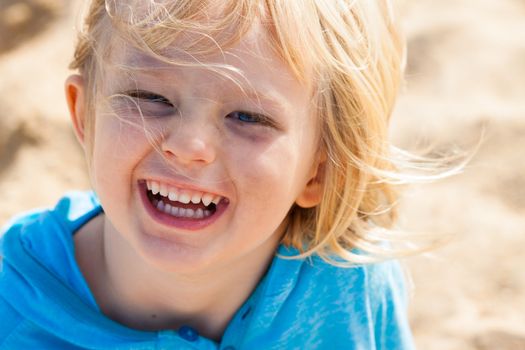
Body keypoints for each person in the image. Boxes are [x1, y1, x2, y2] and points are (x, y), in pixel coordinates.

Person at [0, 0, 416, 348]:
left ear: (319, 172)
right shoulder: (15, 307)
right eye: (150, 97)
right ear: (84, 114)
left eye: (248, 117)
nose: (188, 146)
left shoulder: (350, 282)